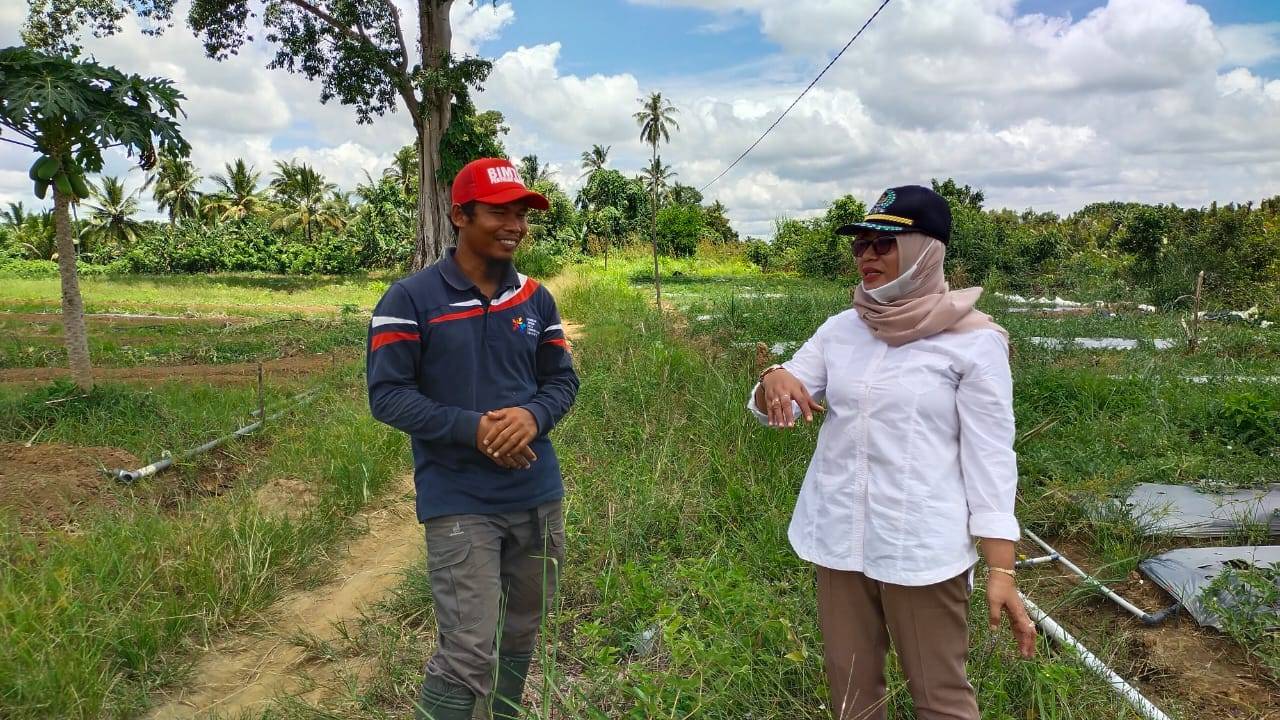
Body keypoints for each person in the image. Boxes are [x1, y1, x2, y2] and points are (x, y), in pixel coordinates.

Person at [747, 185, 1036, 719]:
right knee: (851, 691)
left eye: (883, 243)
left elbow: (992, 458)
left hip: (920, 549)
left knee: (941, 696)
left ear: (925, 249)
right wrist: (773, 376)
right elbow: (780, 394)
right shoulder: (843, 328)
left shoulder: (974, 341)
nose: (867, 256)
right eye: (859, 245)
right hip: (842, 537)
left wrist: (1002, 569)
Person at [367, 157, 579, 720]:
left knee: (520, 636)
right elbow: (387, 395)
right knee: (467, 649)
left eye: (522, 213)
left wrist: (533, 418)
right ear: (460, 216)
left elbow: (561, 381)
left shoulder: (536, 299)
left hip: (536, 495)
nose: (515, 224)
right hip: (458, 501)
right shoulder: (409, 300)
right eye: (498, 212)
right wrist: (473, 428)